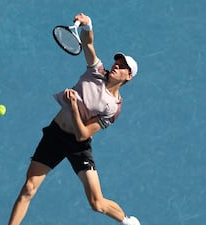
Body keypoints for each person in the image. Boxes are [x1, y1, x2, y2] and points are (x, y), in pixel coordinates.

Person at [8, 13, 140, 225]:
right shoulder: (96, 71)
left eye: (122, 66)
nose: (116, 65)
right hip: (55, 134)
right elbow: (88, 45)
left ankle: (127, 221)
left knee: (96, 203)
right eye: (117, 62)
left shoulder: (113, 108)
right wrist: (88, 25)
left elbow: (83, 134)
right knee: (29, 187)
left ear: (129, 76)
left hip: (78, 146)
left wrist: (73, 107)